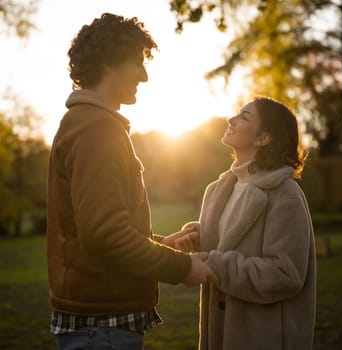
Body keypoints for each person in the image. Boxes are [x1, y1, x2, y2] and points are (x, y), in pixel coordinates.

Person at [46, 13, 217, 350]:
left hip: (98, 324)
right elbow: (104, 235)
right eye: (137, 63)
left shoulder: (87, 123)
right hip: (102, 328)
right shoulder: (97, 129)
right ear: (109, 63)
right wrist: (182, 267)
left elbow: (97, 230)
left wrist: (161, 243)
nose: (145, 75)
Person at [176, 96, 316, 350]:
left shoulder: (285, 194)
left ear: (263, 138)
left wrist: (215, 264)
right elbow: (231, 241)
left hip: (262, 336)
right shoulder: (219, 188)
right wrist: (202, 235)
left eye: (244, 116)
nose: (231, 119)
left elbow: (286, 274)